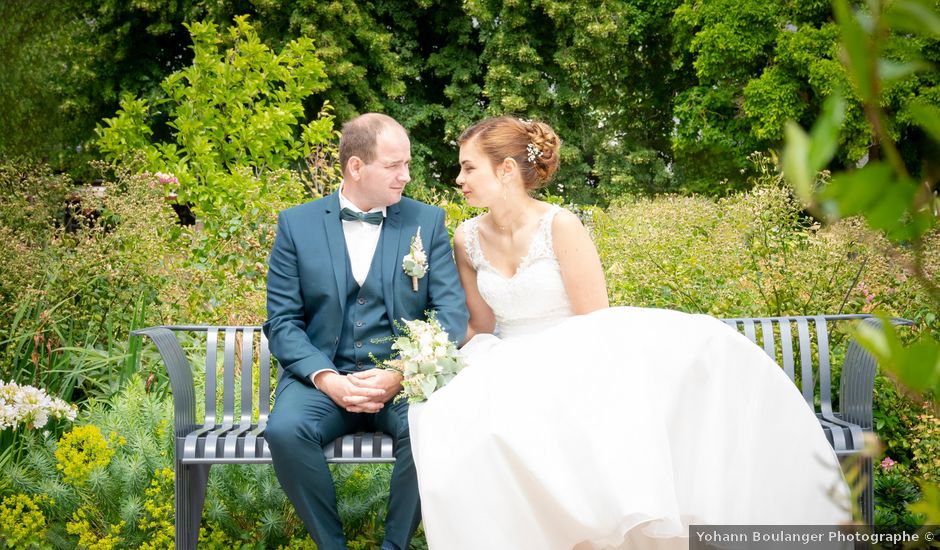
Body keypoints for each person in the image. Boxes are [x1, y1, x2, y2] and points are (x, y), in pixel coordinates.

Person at [408, 116, 850, 549]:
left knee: (555, 423)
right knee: (458, 423)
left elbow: (595, 319)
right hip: (508, 360)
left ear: (505, 170)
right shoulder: (466, 237)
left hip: (576, 356)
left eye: (468, 167)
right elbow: (481, 325)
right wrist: (425, 353)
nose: (458, 178)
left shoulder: (559, 225)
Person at [263, 113, 468, 550]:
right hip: (324, 380)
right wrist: (328, 379)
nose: (406, 176)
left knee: (431, 427)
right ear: (357, 167)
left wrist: (400, 372)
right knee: (284, 430)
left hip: (403, 382)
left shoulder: (425, 221)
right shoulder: (296, 224)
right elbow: (282, 321)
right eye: (395, 165)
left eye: (407, 164)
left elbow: (450, 314)